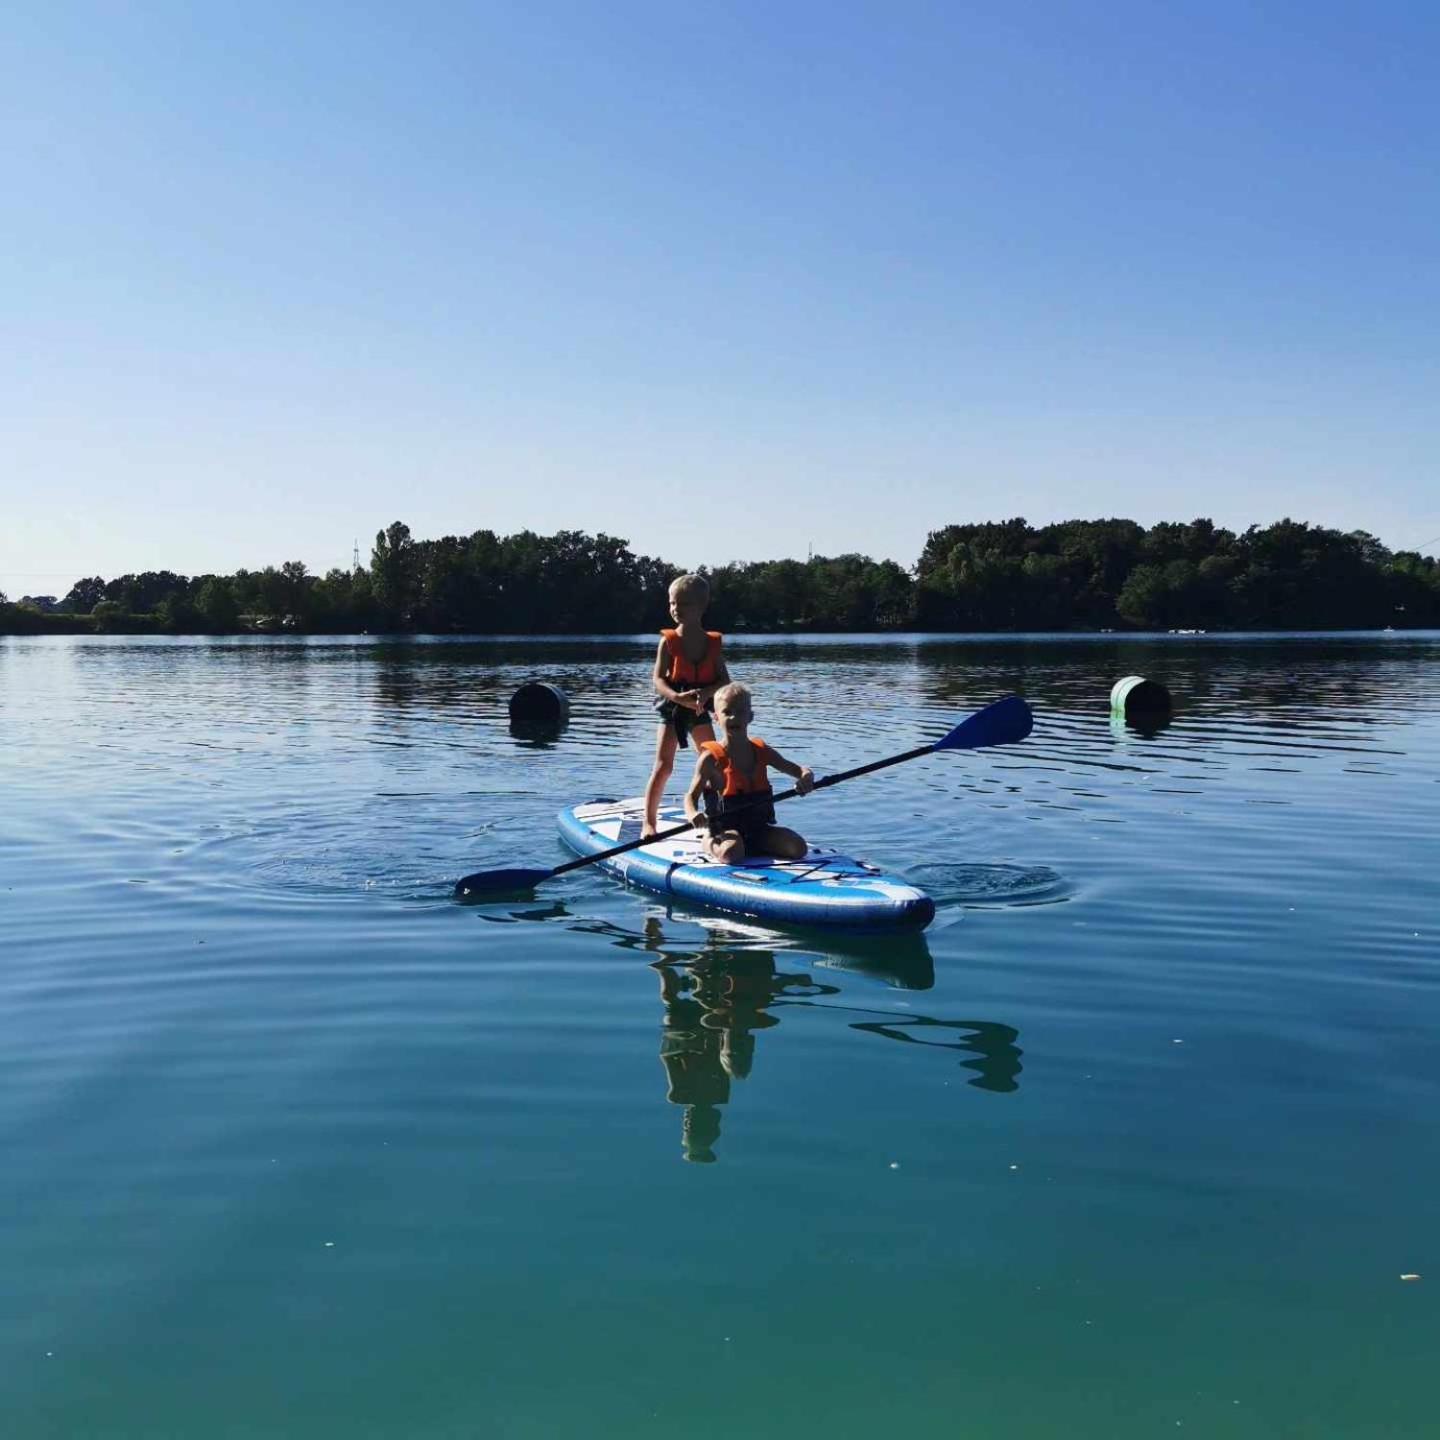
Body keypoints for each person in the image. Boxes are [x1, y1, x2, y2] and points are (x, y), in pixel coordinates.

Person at [685, 682, 815, 862]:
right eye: (727, 712)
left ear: (750, 716)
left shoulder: (763, 751)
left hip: (759, 828)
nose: (733, 717)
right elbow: (691, 796)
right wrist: (693, 814)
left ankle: (755, 845)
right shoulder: (710, 759)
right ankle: (708, 842)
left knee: (798, 848)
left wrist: (807, 777)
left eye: (740, 712)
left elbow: (798, 770)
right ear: (716, 717)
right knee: (732, 853)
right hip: (725, 830)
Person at [642, 573, 730, 837]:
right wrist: (677, 697)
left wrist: (706, 693)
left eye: (683, 604)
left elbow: (724, 680)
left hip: (701, 709)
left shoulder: (711, 644)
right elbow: (657, 679)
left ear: (702, 607)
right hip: (673, 708)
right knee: (663, 765)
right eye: (672, 603)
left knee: (712, 763)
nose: (675, 609)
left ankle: (717, 818)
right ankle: (649, 823)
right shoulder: (668, 642)